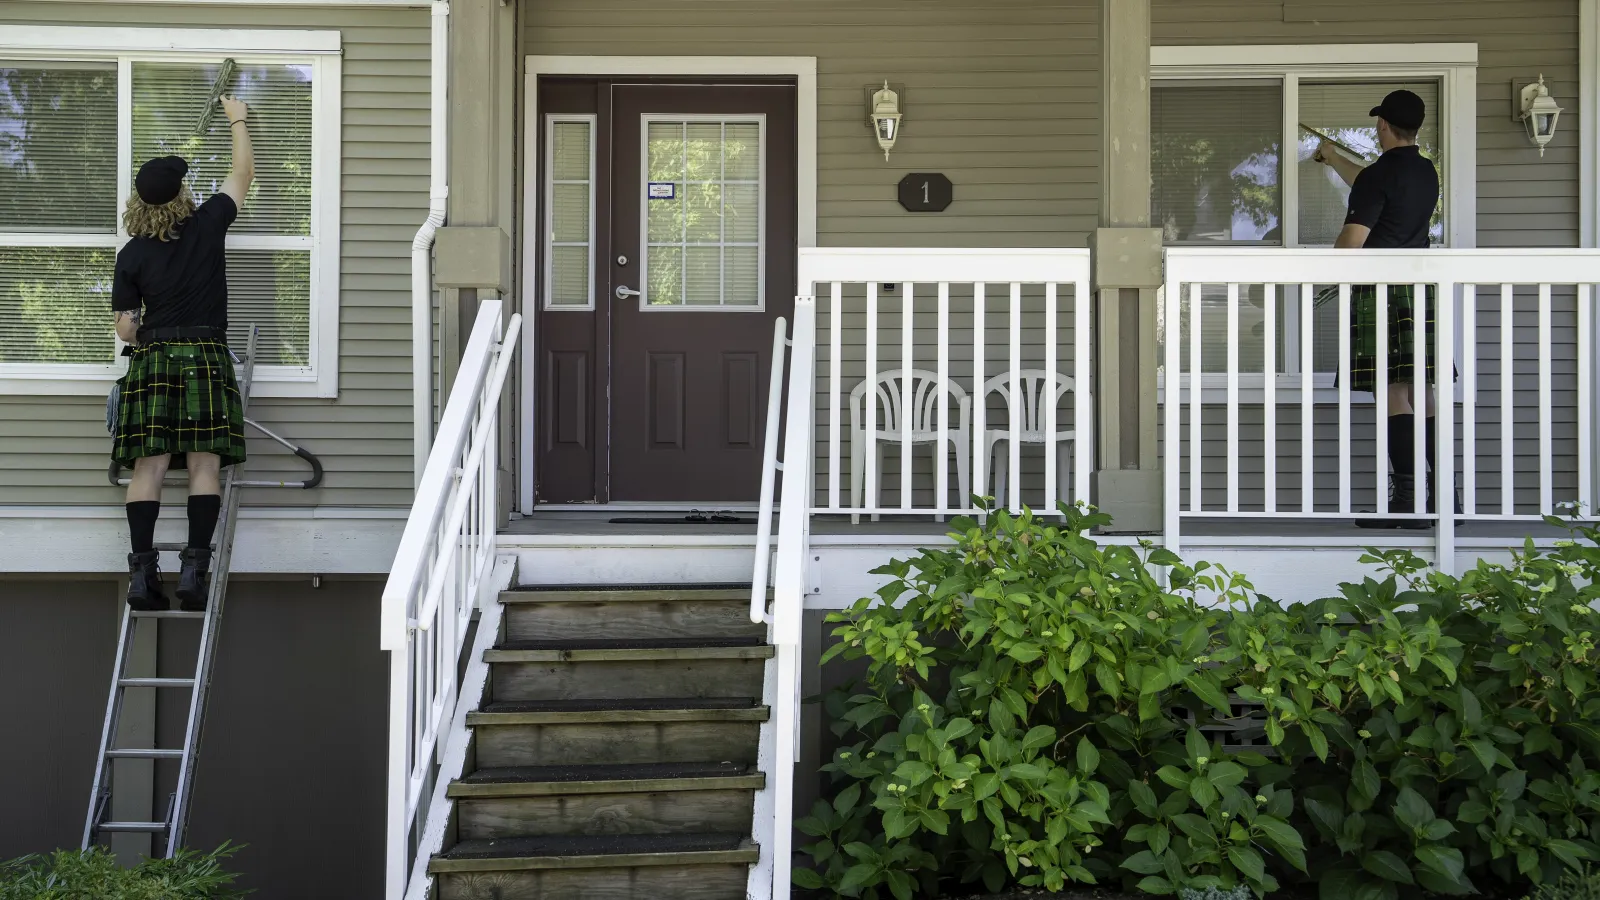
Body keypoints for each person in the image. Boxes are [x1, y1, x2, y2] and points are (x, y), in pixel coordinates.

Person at [111, 96, 254, 610]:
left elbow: (126, 329)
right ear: (181, 194)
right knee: (203, 466)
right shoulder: (208, 223)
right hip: (206, 356)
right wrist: (237, 117)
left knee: (146, 468)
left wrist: (143, 326)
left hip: (154, 360)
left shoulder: (131, 254)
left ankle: (142, 579)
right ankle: (194, 572)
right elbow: (243, 172)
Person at [1313, 89, 1448, 529]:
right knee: (1420, 392)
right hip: (1419, 290)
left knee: (1392, 393)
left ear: (1383, 126)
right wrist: (1334, 159)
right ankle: (1440, 497)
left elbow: (1352, 241)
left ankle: (1407, 502)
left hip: (1383, 292)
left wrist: (1327, 274)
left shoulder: (1377, 177)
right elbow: (1375, 185)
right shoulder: (1427, 173)